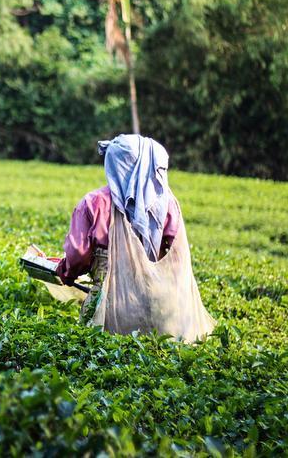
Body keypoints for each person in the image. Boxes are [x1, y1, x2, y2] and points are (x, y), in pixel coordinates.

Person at [55, 134, 215, 340]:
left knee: (102, 356)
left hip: (113, 305)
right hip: (165, 306)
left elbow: (78, 255)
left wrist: (65, 272)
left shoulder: (94, 203)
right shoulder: (168, 204)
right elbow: (171, 254)